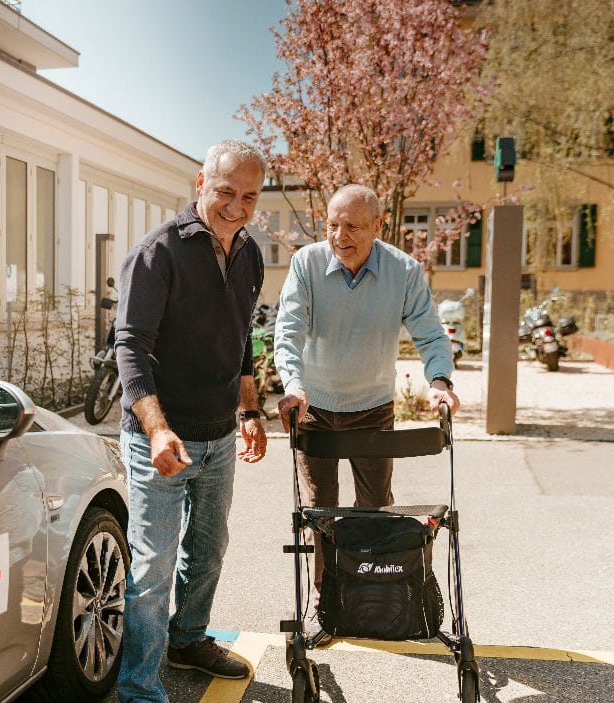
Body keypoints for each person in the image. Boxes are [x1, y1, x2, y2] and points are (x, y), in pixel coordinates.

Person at [115, 140, 268, 703]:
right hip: (161, 437)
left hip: (219, 433)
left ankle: (188, 639)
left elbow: (240, 339)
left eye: (249, 197)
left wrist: (250, 409)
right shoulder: (159, 253)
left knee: (209, 548)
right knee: (153, 566)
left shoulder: (248, 253)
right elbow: (128, 346)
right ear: (199, 183)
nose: (236, 206)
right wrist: (156, 428)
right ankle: (138, 689)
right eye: (226, 192)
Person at [274, 184, 460, 648]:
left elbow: (431, 336)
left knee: (375, 507)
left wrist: (440, 382)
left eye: (353, 226)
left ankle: (376, 597)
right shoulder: (307, 264)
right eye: (333, 224)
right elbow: (289, 331)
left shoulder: (403, 270)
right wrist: (293, 385)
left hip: (372, 409)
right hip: (313, 407)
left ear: (378, 227)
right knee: (321, 513)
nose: (340, 235)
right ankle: (329, 602)